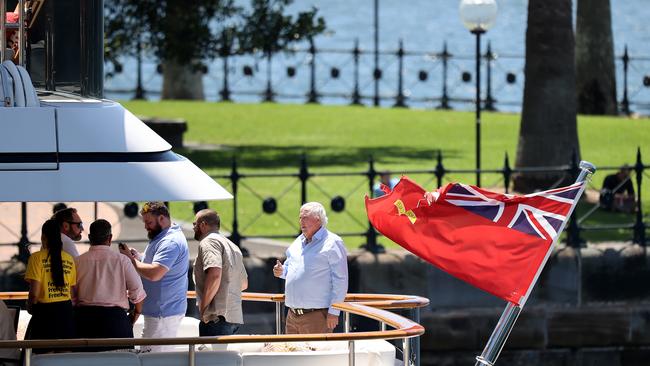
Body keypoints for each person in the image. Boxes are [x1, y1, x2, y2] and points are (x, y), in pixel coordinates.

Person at [119, 202, 189, 352]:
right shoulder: (164, 236)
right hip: (161, 312)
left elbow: (155, 273)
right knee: (152, 357)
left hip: (163, 314)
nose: (145, 226)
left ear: (162, 218)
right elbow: (158, 263)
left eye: (148, 222)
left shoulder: (170, 241)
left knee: (153, 360)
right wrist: (139, 257)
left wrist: (132, 261)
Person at [272, 202, 348, 334]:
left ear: (318, 219)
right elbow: (291, 269)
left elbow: (341, 280)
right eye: (300, 218)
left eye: (305, 217)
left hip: (317, 316)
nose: (301, 221)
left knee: (316, 354)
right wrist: (282, 271)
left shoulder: (332, 242)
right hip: (292, 315)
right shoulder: (298, 242)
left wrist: (334, 312)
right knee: (293, 354)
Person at [74, 219, 146, 351]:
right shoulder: (122, 260)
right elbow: (137, 291)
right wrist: (135, 314)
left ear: (90, 237)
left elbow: (71, 296)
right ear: (110, 238)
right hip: (116, 322)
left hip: (84, 322)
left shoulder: (77, 262)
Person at [192, 209, 248, 336]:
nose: (194, 227)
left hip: (215, 318)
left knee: (209, 356)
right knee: (224, 356)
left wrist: (203, 308)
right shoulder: (233, 246)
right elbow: (244, 284)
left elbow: (215, 273)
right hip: (233, 318)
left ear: (203, 225)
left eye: (194, 224)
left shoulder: (209, 242)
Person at [24, 219, 76, 353]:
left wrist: (30, 307)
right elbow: (71, 291)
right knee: (64, 359)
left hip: (44, 315)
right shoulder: (69, 259)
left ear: (43, 237)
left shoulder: (36, 258)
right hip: (66, 312)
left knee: (42, 358)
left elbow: (34, 293)